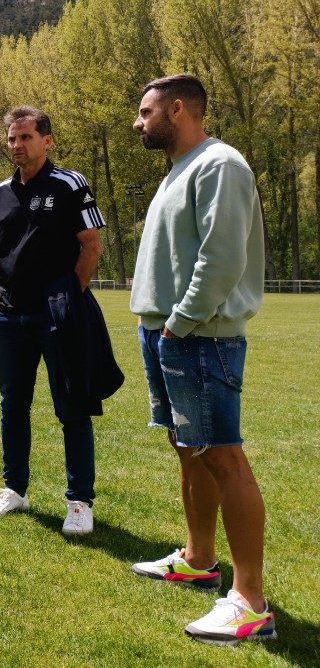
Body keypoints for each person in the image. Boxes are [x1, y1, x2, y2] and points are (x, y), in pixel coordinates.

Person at [129, 74, 274, 645]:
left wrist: (181, 321)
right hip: (168, 330)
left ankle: (250, 601)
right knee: (189, 447)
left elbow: (221, 257)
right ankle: (198, 559)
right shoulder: (179, 169)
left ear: (179, 108)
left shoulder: (221, 165)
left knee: (223, 457)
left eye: (146, 112)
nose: (138, 123)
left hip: (198, 333)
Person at [0, 105, 106, 535]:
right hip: (9, 319)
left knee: (71, 407)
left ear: (46, 140)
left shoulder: (70, 184)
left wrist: (69, 297)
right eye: (12, 139)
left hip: (56, 318)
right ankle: (14, 490)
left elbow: (91, 245)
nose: (17, 146)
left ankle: (79, 502)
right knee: (12, 407)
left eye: (26, 138)